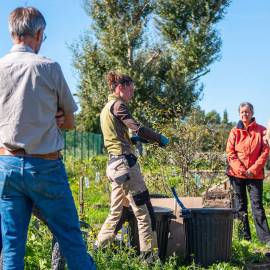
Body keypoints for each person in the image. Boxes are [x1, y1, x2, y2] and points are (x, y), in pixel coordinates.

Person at [0, 7, 96, 269]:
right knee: (71, 241)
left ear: (11, 32)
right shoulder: (49, 67)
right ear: (39, 33)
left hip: (7, 165)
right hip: (44, 165)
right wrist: (57, 118)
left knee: (11, 248)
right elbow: (70, 121)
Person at [96, 71, 169, 262]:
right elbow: (136, 126)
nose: (132, 94)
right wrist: (158, 138)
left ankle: (96, 251)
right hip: (126, 165)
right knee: (144, 211)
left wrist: (133, 139)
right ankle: (150, 259)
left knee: (116, 212)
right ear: (120, 87)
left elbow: (120, 135)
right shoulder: (119, 105)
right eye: (131, 89)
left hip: (114, 165)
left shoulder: (106, 108)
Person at [226, 102, 270, 244]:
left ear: (252, 113)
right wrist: (242, 170)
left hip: (255, 175)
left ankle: (266, 240)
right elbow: (230, 153)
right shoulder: (234, 131)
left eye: (247, 112)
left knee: (257, 205)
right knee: (240, 206)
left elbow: (265, 152)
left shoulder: (262, 130)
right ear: (239, 114)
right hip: (236, 175)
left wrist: (253, 170)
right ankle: (244, 239)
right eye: (242, 112)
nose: (245, 114)